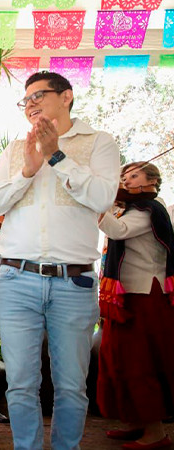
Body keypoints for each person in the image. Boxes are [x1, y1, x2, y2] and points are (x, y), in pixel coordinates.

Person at [0, 70, 120, 450]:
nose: (31, 104)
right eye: (25, 100)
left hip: (73, 283)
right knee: (21, 382)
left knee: (72, 384)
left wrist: (56, 156)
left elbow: (103, 198)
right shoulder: (14, 150)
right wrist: (26, 171)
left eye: (39, 95)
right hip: (15, 279)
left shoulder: (99, 142)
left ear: (67, 96)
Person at [97, 162, 174, 450]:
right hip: (126, 294)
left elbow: (117, 231)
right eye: (123, 177)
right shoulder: (130, 207)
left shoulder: (150, 208)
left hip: (145, 294)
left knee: (142, 361)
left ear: (151, 180)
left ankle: (156, 434)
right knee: (120, 358)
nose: (126, 181)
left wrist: (98, 206)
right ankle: (138, 422)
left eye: (133, 176)